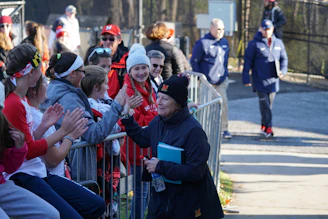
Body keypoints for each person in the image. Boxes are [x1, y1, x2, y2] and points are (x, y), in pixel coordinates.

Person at [2, 44, 106, 218]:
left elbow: (25, 143)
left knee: (96, 204)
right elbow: (29, 151)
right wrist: (64, 132)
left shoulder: (21, 101)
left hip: (37, 173)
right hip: (24, 175)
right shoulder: (13, 103)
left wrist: (44, 125)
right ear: (32, 73)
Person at [121, 73, 224, 219]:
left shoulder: (193, 131)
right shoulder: (159, 121)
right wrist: (127, 118)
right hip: (160, 200)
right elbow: (143, 139)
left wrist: (160, 166)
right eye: (158, 97)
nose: (159, 102)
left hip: (186, 204)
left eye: (165, 99)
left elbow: (195, 172)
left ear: (178, 104)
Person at [43, 51, 128, 182]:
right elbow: (94, 134)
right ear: (72, 73)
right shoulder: (70, 100)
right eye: (82, 71)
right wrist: (117, 106)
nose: (84, 75)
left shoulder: (54, 89)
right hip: (73, 171)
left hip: (63, 167)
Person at [0, 81, 60, 219]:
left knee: (51, 214)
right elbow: (51, 157)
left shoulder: (4, 122)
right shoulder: (15, 103)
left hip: (6, 184)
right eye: (42, 80)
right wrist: (65, 133)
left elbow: (9, 166)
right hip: (27, 176)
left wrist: (19, 148)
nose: (46, 84)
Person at [123, 43, 157, 219]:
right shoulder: (130, 92)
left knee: (147, 190)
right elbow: (135, 121)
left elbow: (152, 113)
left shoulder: (149, 87)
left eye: (144, 67)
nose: (141, 72)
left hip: (149, 148)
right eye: (137, 68)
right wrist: (156, 119)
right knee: (140, 191)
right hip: (136, 150)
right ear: (130, 71)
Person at [242, 19, 288, 138]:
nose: (267, 31)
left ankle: (264, 124)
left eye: (269, 29)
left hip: (273, 81)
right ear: (260, 29)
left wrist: (283, 72)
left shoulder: (278, 43)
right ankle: (268, 128)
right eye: (264, 29)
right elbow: (248, 61)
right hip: (260, 80)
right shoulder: (254, 44)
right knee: (265, 105)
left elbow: (284, 59)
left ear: (272, 29)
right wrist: (246, 78)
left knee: (269, 105)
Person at [190, 18, 232, 139]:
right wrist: (201, 78)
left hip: (221, 81)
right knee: (205, 106)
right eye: (218, 29)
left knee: (223, 103)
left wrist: (226, 74)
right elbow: (194, 61)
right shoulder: (202, 43)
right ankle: (202, 129)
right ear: (211, 29)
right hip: (207, 82)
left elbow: (225, 60)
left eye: (223, 29)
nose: (221, 31)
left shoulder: (225, 42)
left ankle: (224, 129)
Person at [100, 24, 129, 99]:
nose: (107, 41)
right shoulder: (95, 55)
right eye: (104, 39)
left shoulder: (126, 58)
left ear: (119, 40)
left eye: (111, 39)